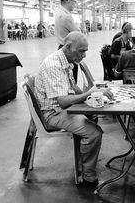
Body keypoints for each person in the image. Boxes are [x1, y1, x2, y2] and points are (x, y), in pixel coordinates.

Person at [35, 31, 113, 188]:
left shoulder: (67, 60)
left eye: (85, 50)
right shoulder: (54, 65)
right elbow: (63, 102)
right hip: (52, 113)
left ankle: (84, 160)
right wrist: (89, 94)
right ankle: (88, 174)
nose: (84, 55)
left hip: (59, 108)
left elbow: (73, 86)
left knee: (93, 115)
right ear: (68, 47)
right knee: (94, 132)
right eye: (81, 51)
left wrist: (93, 94)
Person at [55, 0, 81, 82]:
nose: (75, 4)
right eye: (74, 1)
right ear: (68, 0)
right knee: (71, 79)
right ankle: (72, 95)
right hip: (69, 51)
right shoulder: (66, 16)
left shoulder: (58, 12)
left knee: (65, 77)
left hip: (61, 48)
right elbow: (78, 33)